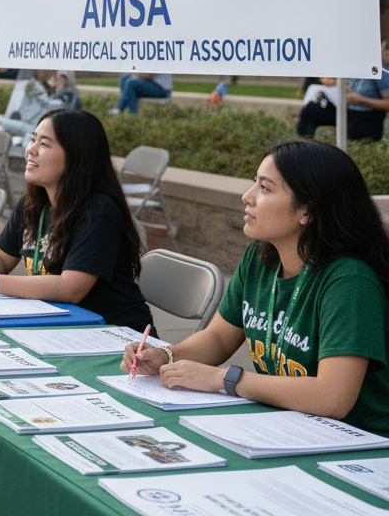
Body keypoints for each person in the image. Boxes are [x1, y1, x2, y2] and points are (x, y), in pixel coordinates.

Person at [122, 139, 389, 433]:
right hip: (288, 425)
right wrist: (167, 355)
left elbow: (333, 398)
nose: (247, 197)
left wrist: (224, 379)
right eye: (254, 184)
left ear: (307, 211)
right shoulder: (260, 257)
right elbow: (219, 339)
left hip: (359, 443)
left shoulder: (349, 281)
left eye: (265, 188)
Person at [0, 108, 153, 331]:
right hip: (59, 325)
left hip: (116, 335)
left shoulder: (98, 212)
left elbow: (69, 288)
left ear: (76, 155)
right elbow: (1, 257)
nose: (30, 150)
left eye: (44, 144)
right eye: (32, 139)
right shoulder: (33, 203)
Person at [344, 40, 389, 142]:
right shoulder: (362, 66)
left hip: (369, 122)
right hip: (353, 118)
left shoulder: (382, 72)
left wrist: (361, 100)